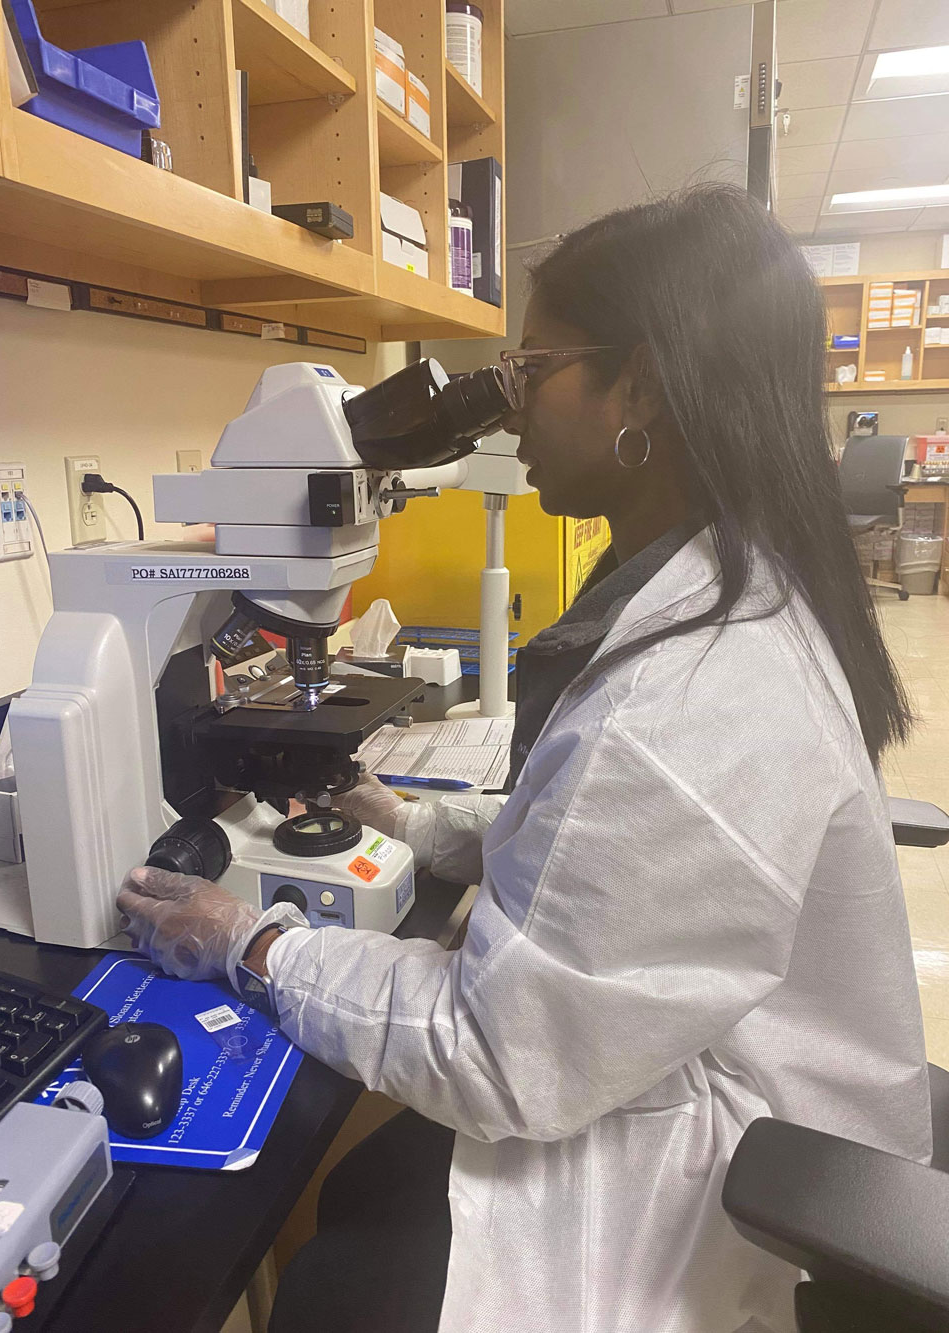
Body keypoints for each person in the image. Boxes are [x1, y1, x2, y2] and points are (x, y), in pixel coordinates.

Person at [118, 184, 931, 1333]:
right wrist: (406, 817)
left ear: (639, 385)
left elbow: (495, 1056)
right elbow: (612, 869)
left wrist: (249, 937)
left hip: (736, 1180)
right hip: (710, 1074)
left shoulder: (688, 696)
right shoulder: (723, 583)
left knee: (338, 1282)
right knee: (357, 1185)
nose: (505, 414)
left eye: (532, 370)